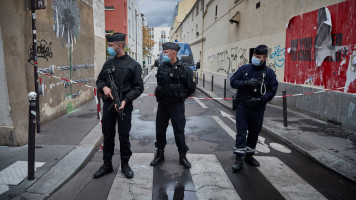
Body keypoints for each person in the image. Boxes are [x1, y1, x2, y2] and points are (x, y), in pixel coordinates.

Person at [94, 33, 144, 179]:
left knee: (124, 136)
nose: (109, 48)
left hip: (124, 105)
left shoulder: (133, 65)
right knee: (108, 135)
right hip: (109, 104)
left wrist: (125, 100)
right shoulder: (108, 63)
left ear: (119, 46)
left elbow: (138, 88)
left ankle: (125, 164)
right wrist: (104, 88)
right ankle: (106, 164)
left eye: (110, 46)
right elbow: (99, 80)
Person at [230, 44, 278, 172]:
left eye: (258, 56)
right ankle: (239, 159)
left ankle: (249, 156)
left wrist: (261, 99)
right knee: (241, 132)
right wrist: (246, 83)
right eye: (254, 56)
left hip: (257, 108)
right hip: (243, 107)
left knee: (254, 133)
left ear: (264, 58)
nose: (255, 58)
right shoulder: (244, 68)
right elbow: (233, 81)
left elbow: (272, 90)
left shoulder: (269, 73)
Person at [150, 42, 196, 168]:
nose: (163, 55)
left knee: (179, 131)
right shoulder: (162, 67)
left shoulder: (185, 69)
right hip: (163, 105)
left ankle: (182, 156)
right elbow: (160, 83)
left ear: (173, 53)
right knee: (160, 130)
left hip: (177, 105)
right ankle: (159, 154)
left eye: (165, 52)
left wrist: (181, 96)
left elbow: (191, 87)